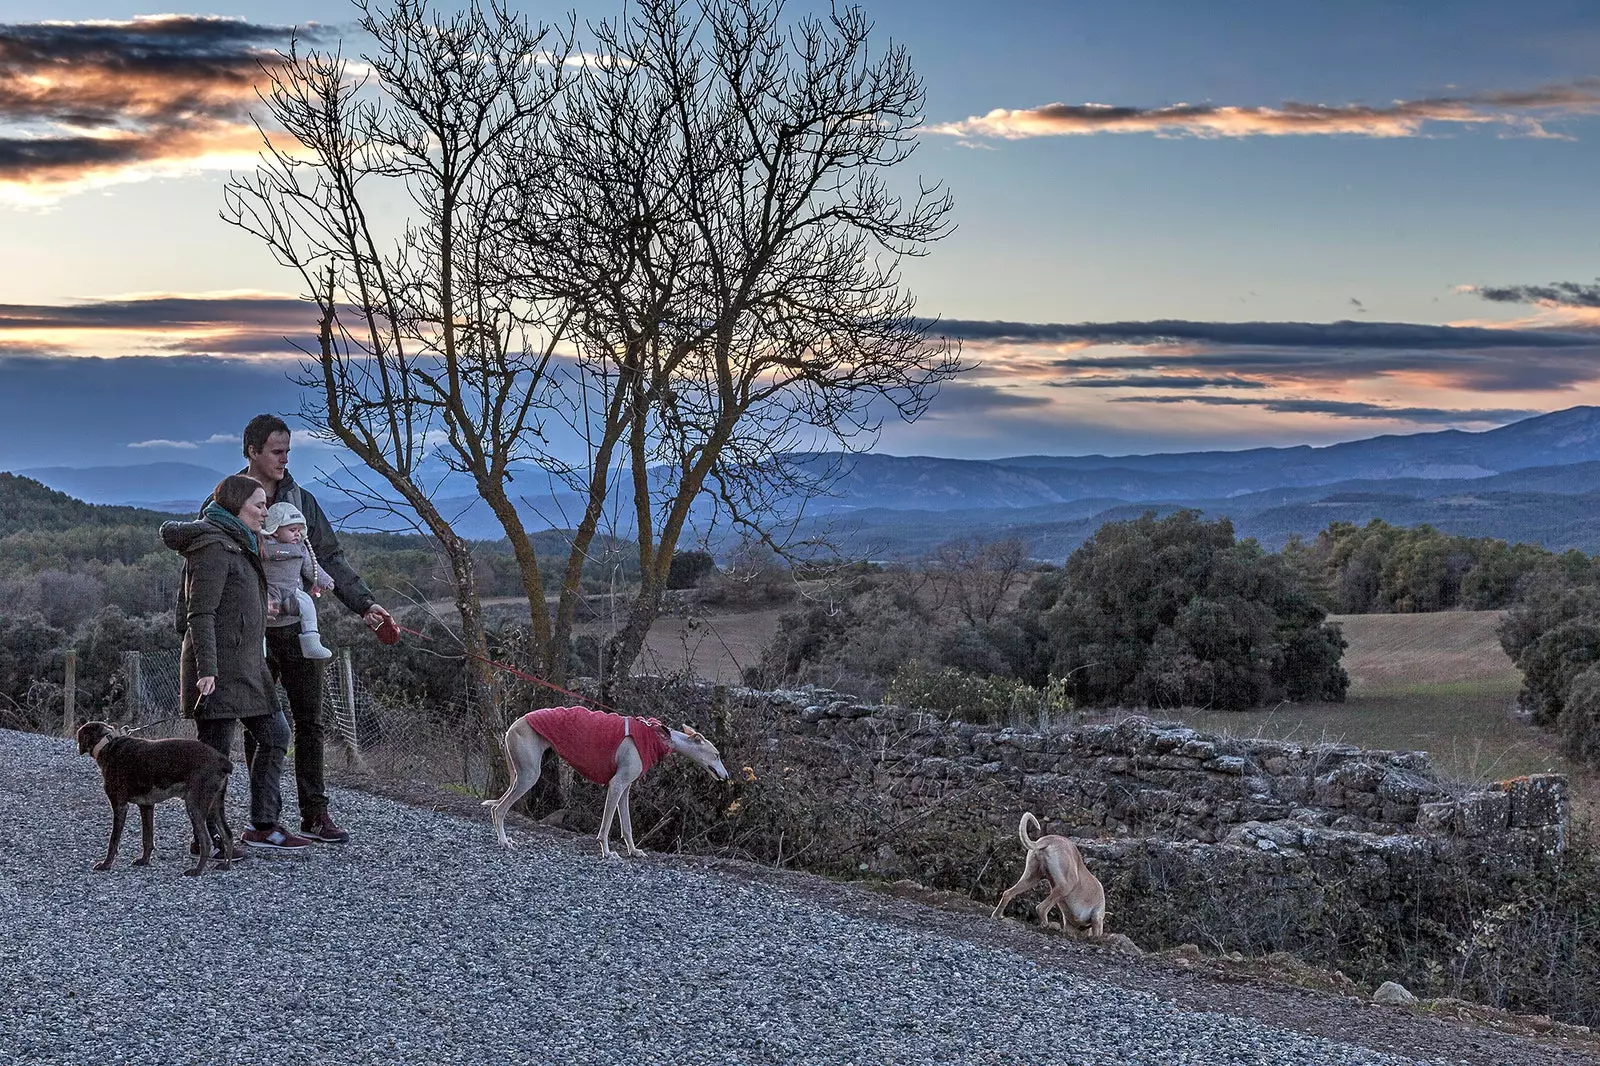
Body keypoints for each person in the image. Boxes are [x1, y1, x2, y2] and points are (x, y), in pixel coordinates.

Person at [236, 414, 394, 845]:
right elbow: (204, 564)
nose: (285, 460)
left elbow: (329, 557)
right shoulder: (231, 497)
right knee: (260, 726)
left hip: (299, 629)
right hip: (252, 633)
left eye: (288, 451)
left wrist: (365, 604)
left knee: (310, 723)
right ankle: (263, 820)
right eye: (277, 452)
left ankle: (314, 815)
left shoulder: (300, 500)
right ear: (252, 451)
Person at [162, 474, 310, 853]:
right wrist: (207, 669)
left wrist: (261, 609)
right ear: (236, 506)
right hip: (218, 670)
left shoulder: (240, 542)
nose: (265, 511)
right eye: (259, 505)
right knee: (214, 757)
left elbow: (233, 602)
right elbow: (200, 614)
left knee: (276, 734)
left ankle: (263, 825)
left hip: (248, 665)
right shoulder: (212, 546)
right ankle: (209, 835)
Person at [261, 501, 336, 661]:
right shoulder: (262, 545)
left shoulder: (301, 548)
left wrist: (324, 580)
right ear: (275, 531)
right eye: (292, 530)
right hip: (266, 591)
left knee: (307, 603)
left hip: (292, 591)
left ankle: (311, 642)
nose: (297, 534)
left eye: (299, 530)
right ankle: (258, 649)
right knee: (257, 614)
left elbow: (310, 566)